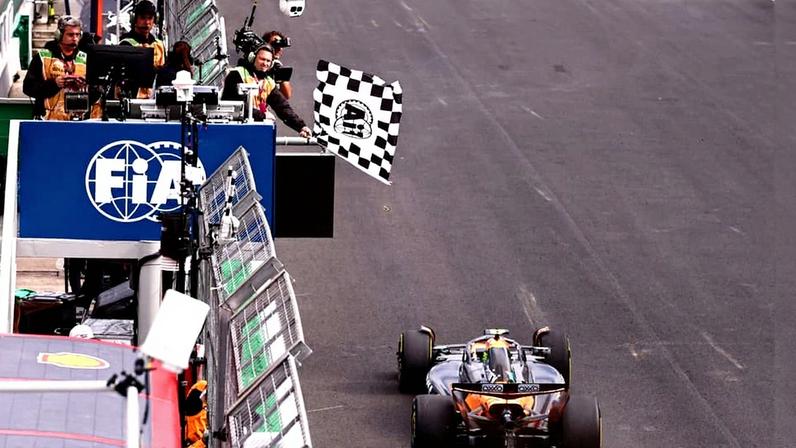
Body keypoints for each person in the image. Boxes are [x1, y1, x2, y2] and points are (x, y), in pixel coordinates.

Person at [221, 44, 311, 137]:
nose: (265, 63)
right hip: (232, 128)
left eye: (268, 61)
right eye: (262, 59)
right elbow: (236, 106)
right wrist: (263, 116)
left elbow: (283, 108)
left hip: (254, 130)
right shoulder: (236, 74)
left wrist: (301, 126)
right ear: (253, 58)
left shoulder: (268, 82)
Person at [23, 15, 100, 120]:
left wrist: (85, 87)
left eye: (78, 35)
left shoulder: (87, 59)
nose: (75, 39)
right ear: (59, 35)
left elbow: (97, 93)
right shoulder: (42, 57)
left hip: (79, 122)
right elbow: (28, 88)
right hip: (47, 121)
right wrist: (54, 84)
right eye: (70, 35)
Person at [119, 0, 165, 98]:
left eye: (150, 18)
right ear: (134, 19)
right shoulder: (125, 44)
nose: (147, 22)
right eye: (143, 18)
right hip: (131, 97)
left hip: (154, 97)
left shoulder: (158, 45)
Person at [262, 30, 292, 99]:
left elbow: (287, 95)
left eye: (280, 46)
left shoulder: (277, 66)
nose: (278, 49)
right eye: (275, 45)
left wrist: (281, 75)